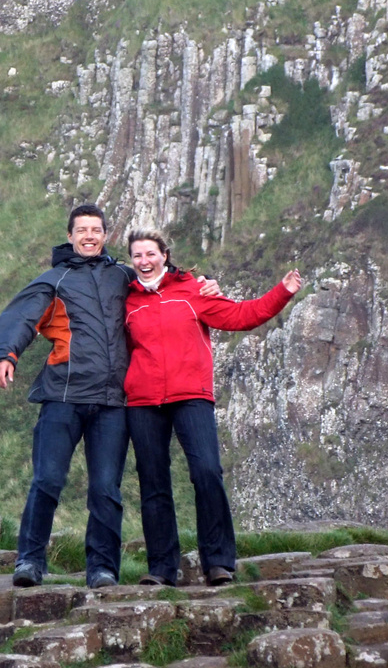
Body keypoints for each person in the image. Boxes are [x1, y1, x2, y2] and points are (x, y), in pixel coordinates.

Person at [0, 204, 221, 589]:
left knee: (105, 489)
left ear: (105, 235)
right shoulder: (53, 280)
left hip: (113, 403)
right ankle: (30, 561)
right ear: (70, 236)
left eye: (96, 230)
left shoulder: (122, 276)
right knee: (47, 479)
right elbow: (21, 317)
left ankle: (102, 567)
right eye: (82, 230)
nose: (89, 236)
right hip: (63, 395)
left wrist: (207, 282)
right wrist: (5, 354)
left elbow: (162, 282)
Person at [123, 229, 302, 586]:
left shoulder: (193, 291)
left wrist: (282, 292)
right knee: (153, 483)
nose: (144, 262)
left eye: (150, 254)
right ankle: (161, 569)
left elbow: (241, 317)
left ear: (165, 255)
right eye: (137, 256)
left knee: (207, 472)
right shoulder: (125, 298)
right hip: (143, 400)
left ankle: (219, 562)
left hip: (191, 394)